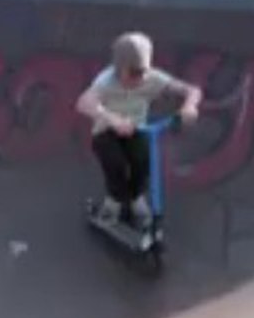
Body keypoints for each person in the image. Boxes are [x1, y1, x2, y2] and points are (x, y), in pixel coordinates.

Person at [75, 32, 202, 227]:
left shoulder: (152, 78)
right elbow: (83, 103)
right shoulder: (106, 81)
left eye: (142, 73)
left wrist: (189, 106)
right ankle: (114, 201)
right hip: (106, 131)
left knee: (143, 161)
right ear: (118, 68)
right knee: (115, 163)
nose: (139, 79)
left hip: (137, 129)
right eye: (133, 74)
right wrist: (113, 119)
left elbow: (192, 90)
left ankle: (135, 197)